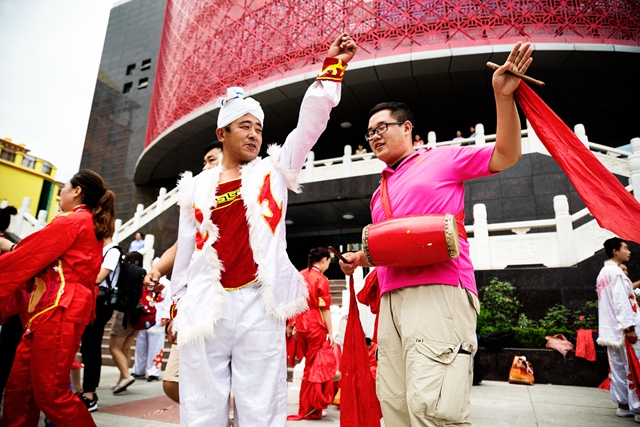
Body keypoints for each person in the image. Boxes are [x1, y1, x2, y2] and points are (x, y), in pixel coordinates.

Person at [338, 41, 533, 427]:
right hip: (392, 302)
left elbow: (506, 154)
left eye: (382, 128)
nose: (374, 137)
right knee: (395, 405)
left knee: (433, 408)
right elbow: (395, 243)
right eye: (369, 133)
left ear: (407, 128)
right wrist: (360, 258)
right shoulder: (379, 192)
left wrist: (503, 97)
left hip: (439, 291)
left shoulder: (441, 158)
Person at [170, 33, 357, 426]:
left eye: (258, 127)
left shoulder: (273, 172)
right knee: (201, 407)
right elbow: (186, 249)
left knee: (262, 409)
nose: (254, 134)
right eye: (244, 126)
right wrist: (178, 303)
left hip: (259, 303)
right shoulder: (196, 188)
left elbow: (308, 128)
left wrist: (332, 70)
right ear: (222, 134)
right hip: (206, 304)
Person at [0, 169, 114, 427]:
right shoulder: (86, 221)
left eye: (65, 187)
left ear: (77, 191)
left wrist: (11, 248)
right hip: (51, 309)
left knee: (51, 393)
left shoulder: (73, 221)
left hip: (59, 309)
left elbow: (29, 255)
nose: (60, 193)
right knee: (20, 386)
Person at [596, 237, 640, 420]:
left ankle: (623, 405)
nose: (629, 252)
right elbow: (622, 302)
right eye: (625, 248)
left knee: (618, 368)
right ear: (615, 251)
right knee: (633, 366)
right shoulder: (617, 273)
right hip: (624, 329)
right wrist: (629, 328)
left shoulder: (603, 272)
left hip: (610, 330)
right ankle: (638, 408)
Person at [289, 247, 335, 421]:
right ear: (324, 260)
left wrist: (293, 323)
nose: (328, 265)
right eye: (329, 262)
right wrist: (331, 332)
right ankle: (310, 408)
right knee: (313, 368)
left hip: (301, 324)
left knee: (309, 366)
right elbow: (325, 308)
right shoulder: (321, 279)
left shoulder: (300, 275)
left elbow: (293, 302)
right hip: (315, 325)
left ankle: (309, 406)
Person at [78, 234, 120, 411]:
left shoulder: (113, 251)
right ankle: (84, 391)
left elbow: (97, 278)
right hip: (91, 300)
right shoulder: (102, 250)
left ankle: (90, 394)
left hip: (100, 303)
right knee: (87, 347)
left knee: (91, 347)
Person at [109, 251, 143, 394]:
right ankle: (122, 378)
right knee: (126, 348)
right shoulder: (142, 273)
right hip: (138, 315)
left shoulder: (126, 272)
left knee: (114, 348)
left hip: (124, 314)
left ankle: (126, 375)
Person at [132, 257, 171, 382]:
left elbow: (169, 301)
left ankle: (153, 371)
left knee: (155, 345)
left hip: (158, 317)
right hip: (144, 315)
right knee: (141, 344)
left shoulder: (167, 284)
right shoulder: (148, 282)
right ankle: (138, 369)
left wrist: (166, 316)